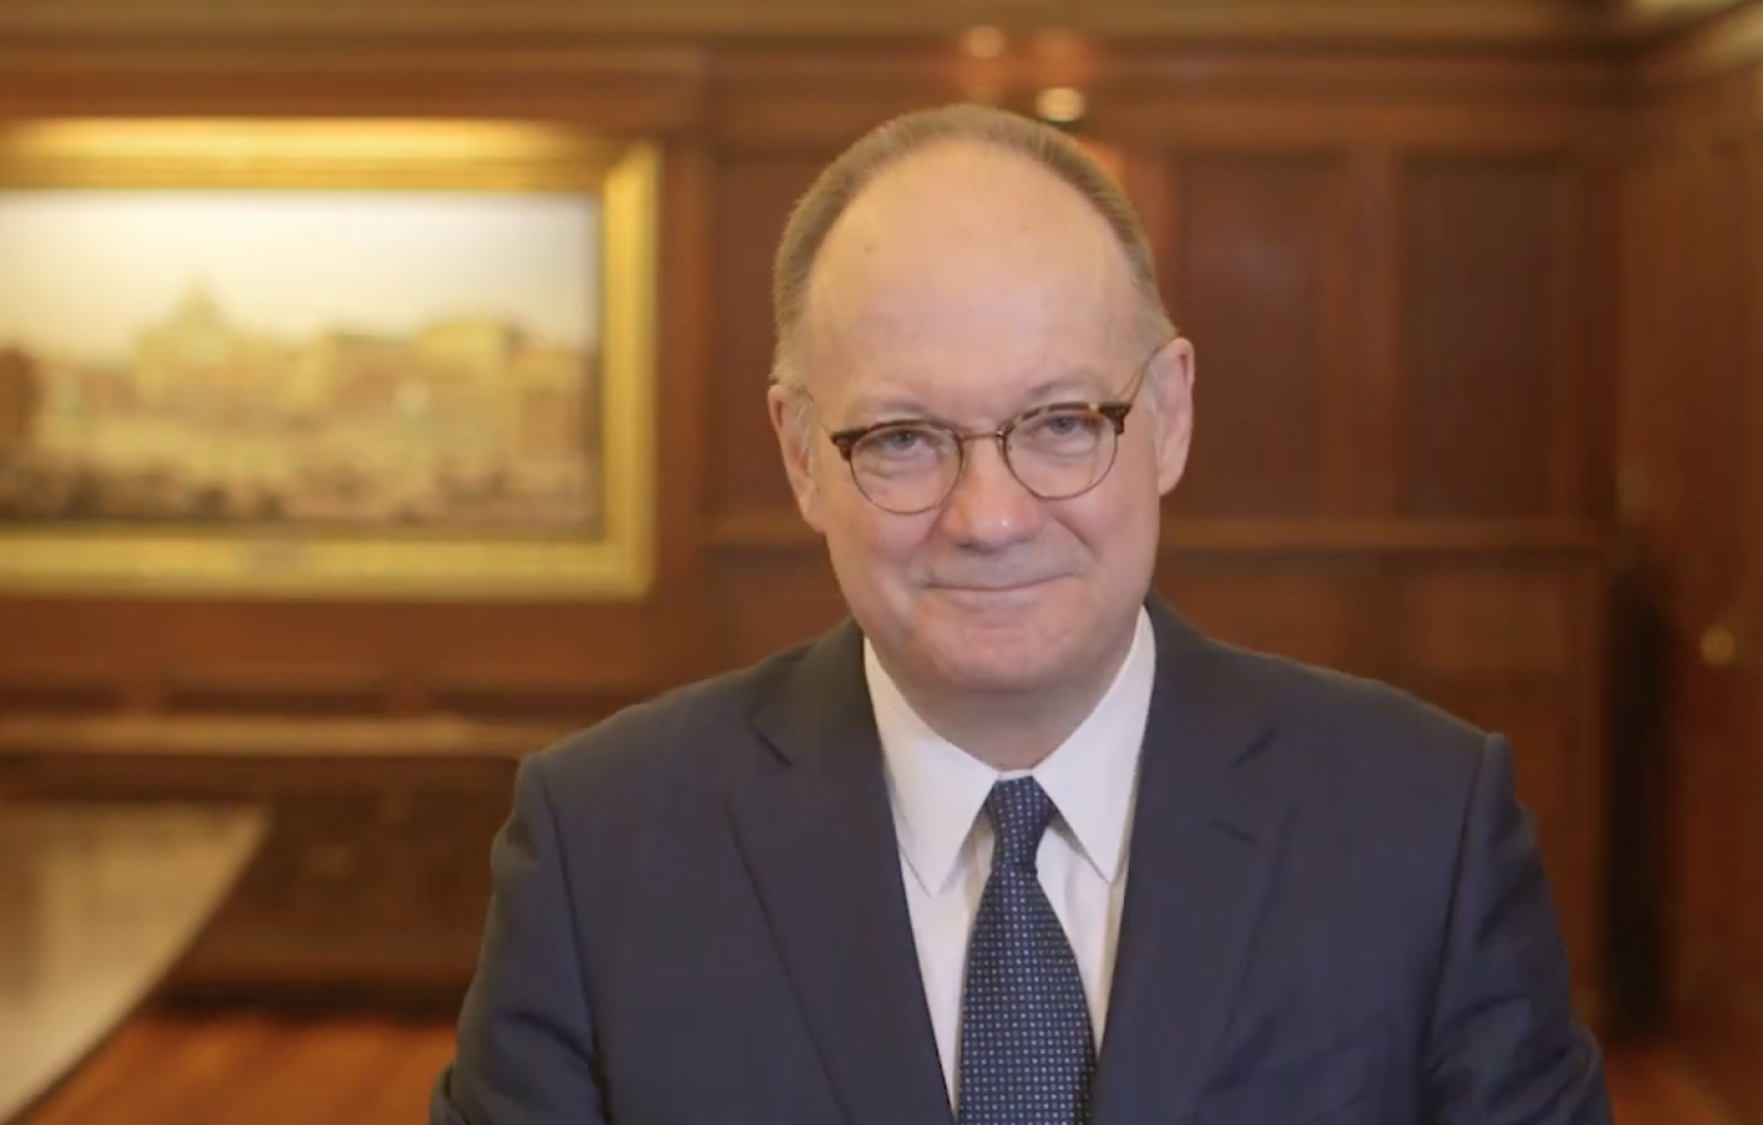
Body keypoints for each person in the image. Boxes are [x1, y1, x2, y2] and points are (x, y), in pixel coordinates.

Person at [430, 102, 1613, 1125]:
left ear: (1168, 414)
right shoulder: (602, 848)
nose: (989, 517)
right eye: (902, 438)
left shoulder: (1420, 826)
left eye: (1059, 423)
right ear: (800, 454)